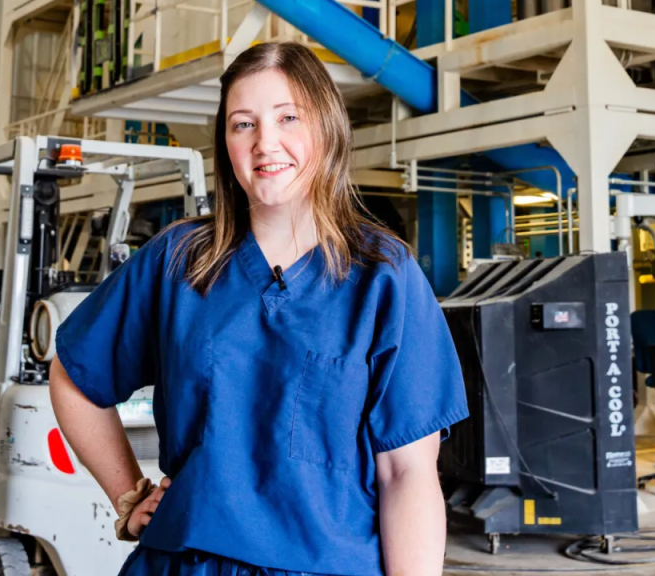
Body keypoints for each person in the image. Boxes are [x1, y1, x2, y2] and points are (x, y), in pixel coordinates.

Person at [49, 42, 469, 576]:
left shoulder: (384, 277)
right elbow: (73, 374)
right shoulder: (178, 261)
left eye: (288, 117)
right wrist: (128, 496)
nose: (265, 143)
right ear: (226, 143)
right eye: (242, 124)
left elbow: (407, 475)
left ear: (327, 126)